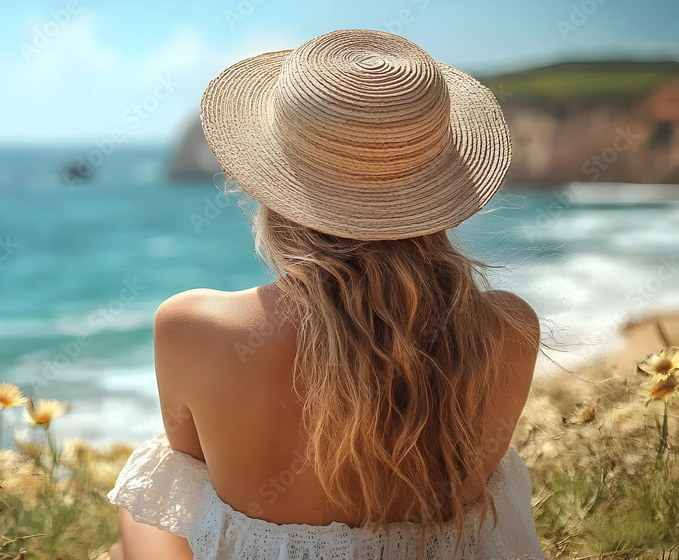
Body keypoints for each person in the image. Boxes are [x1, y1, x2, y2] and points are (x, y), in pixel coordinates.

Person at [108, 29, 544, 560]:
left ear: (266, 182)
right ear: (440, 184)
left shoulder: (192, 326)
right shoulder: (509, 328)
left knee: (143, 507)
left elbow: (193, 484)